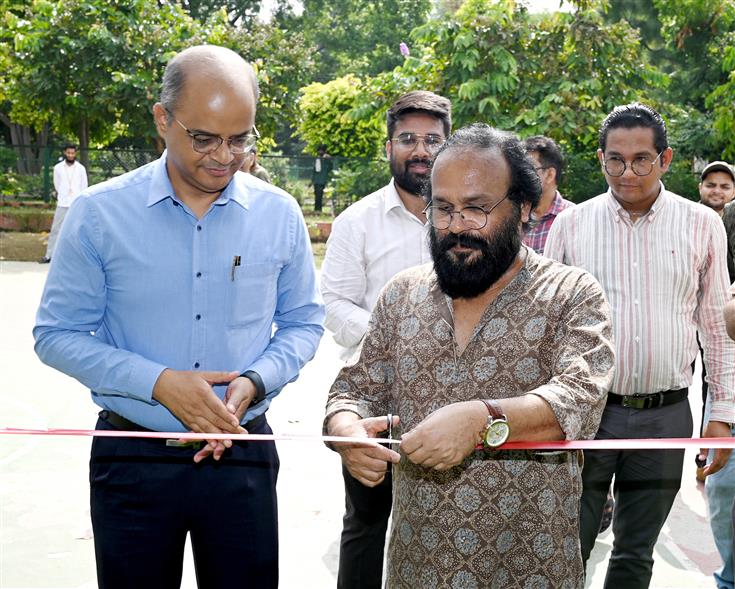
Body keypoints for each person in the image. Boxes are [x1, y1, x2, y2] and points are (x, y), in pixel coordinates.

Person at [33, 45, 324, 589]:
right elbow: (56, 335)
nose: (224, 156)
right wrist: (159, 383)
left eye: (240, 139)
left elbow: (305, 322)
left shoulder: (278, 214)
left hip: (242, 455)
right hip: (133, 459)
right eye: (205, 138)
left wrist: (253, 382)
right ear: (163, 119)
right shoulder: (99, 214)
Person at [325, 123, 615, 589]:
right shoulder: (402, 295)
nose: (457, 226)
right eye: (443, 208)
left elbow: (580, 397)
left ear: (523, 208)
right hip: (417, 567)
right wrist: (346, 431)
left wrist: (483, 420)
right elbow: (353, 389)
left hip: (528, 568)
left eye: (477, 209)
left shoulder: (571, 293)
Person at [544, 103, 735, 589]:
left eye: (641, 160)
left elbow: (715, 325)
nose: (627, 172)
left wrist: (723, 410)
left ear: (665, 159)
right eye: (615, 160)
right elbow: (548, 324)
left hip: (666, 414)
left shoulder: (701, 224)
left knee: (635, 550)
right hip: (585, 411)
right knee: (569, 543)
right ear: (601, 158)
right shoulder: (572, 225)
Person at [320, 90, 451, 589]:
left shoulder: (469, 215)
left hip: (454, 399)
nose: (420, 150)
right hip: (375, 399)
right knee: (367, 523)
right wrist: (396, 342)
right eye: (408, 139)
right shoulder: (359, 221)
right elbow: (333, 303)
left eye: (432, 140)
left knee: (445, 525)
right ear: (389, 146)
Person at [695, 161, 735, 478]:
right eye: (711, 184)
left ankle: (711, 438)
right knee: (689, 381)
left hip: (723, 318)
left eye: (725, 186)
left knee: (716, 377)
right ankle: (701, 441)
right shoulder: (691, 221)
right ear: (701, 187)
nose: (717, 191)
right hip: (687, 318)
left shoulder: (731, 221)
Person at [521, 135, 574, 253]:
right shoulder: (514, 216)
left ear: (550, 175)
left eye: (528, 169)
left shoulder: (574, 218)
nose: (521, 176)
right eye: (520, 170)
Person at [39, 143, 88, 263]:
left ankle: (77, 258)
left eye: (73, 153)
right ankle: (49, 255)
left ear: (75, 153)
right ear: (65, 153)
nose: (71, 155)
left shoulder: (81, 168)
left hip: (76, 204)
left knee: (77, 231)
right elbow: (57, 185)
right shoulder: (58, 168)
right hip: (62, 203)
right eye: (69, 153)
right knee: (56, 230)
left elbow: (84, 186)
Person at [311, 144, 333, 212]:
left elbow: (330, 167)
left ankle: (319, 209)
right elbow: (315, 170)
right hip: (317, 180)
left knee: (319, 195)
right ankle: (317, 209)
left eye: (321, 150)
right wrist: (312, 180)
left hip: (322, 180)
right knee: (317, 195)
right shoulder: (317, 159)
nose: (319, 152)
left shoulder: (327, 159)